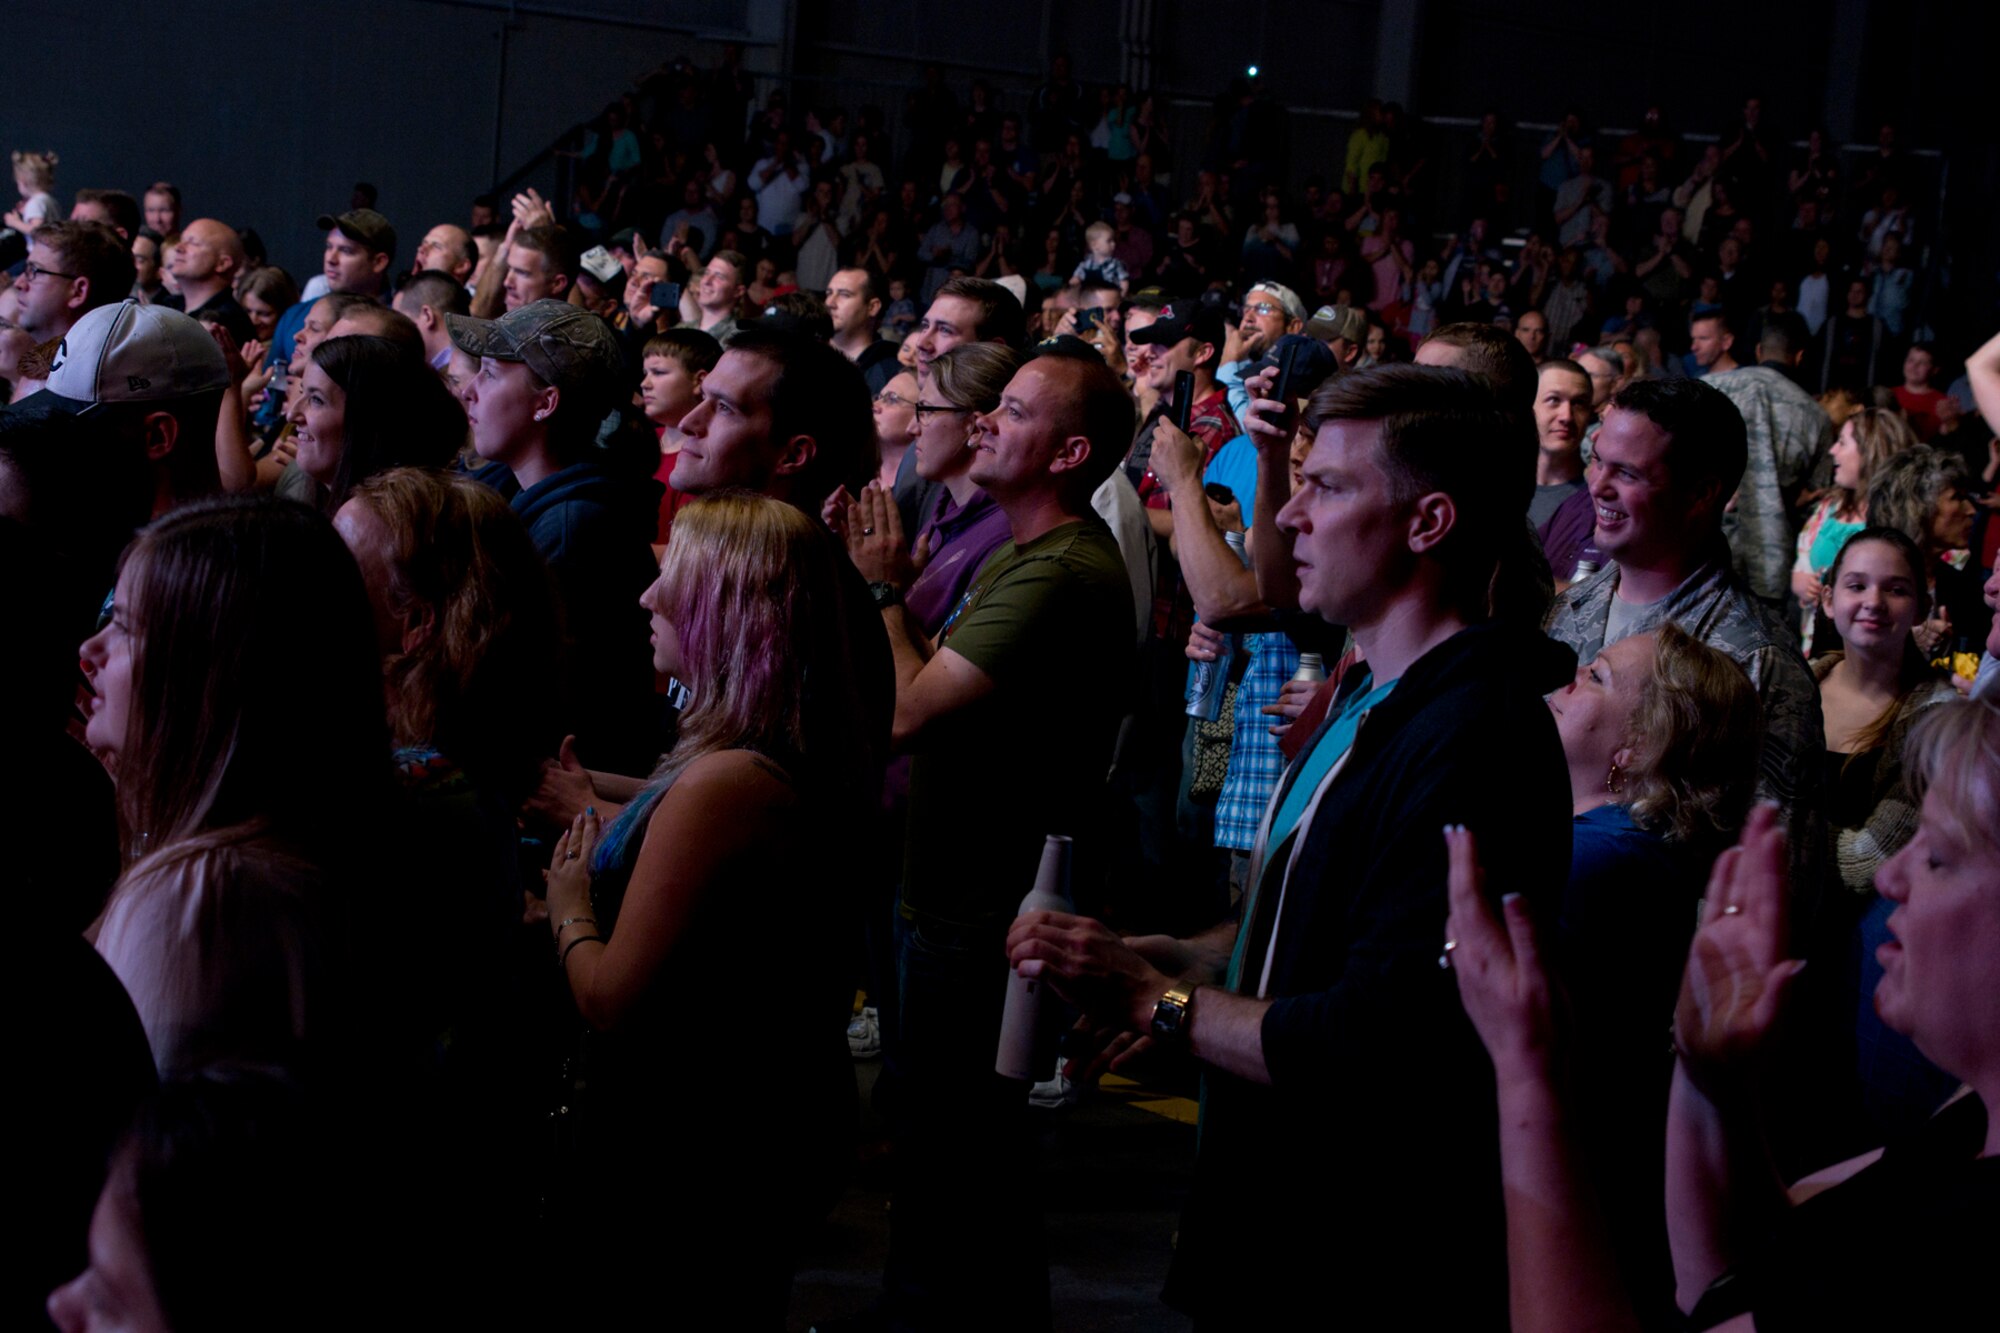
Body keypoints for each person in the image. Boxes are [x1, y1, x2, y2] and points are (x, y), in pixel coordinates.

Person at [1007, 364, 1575, 1327]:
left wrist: (1161, 1000)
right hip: (1272, 1220)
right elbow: (1331, 920)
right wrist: (1201, 955)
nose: (1293, 517)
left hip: (1351, 1256)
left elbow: (1375, 1041)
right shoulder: (1371, 696)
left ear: (1427, 522)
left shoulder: (1473, 736)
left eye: (1330, 487)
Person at [1442, 686, 2000, 1333]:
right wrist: (1710, 1078)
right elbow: (1735, 1277)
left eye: (1937, 856)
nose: (1888, 878)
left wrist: (1523, 1069)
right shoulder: (1971, 1115)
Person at [540, 493, 877, 1329]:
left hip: (703, 1139)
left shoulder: (726, 783)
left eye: (672, 584)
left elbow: (610, 998)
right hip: (750, 1120)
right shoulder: (752, 753)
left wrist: (567, 905)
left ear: (729, 613)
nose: (648, 598)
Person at [855, 349, 1134, 1331]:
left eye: (1007, 413)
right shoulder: (1025, 552)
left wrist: (886, 593)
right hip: (957, 897)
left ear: (1067, 451)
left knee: (958, 1161)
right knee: (956, 1161)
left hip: (984, 916)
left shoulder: (1059, 568)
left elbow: (906, 713)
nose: (980, 425)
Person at [83, 495, 388, 1077]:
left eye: (123, 627)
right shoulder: (297, 853)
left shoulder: (195, 899)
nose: (89, 652)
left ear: (206, 672)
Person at [1545, 622, 1762, 1319]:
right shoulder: (1635, 850)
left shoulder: (1592, 866)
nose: (1566, 682)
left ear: (1637, 748)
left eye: (1596, 677)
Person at [1545, 378, 1824, 841]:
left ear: (1701, 494)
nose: (1598, 486)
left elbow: (1775, 874)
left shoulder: (1755, 662)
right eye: (1597, 461)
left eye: (1627, 473)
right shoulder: (1570, 609)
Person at [449, 298, 660, 775]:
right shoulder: (511, 494)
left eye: (490, 374)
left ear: (546, 403)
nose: (469, 392)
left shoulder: (571, 532)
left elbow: (522, 700)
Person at [288, 334, 466, 513]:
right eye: (302, 392)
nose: (292, 414)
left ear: (370, 421)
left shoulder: (378, 523)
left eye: (317, 400)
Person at [1791, 407, 1915, 651]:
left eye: (1842, 442)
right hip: (1818, 643)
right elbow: (1801, 565)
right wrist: (1806, 585)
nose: (1832, 450)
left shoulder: (1901, 519)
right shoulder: (1829, 508)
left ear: (1871, 452)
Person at [1867, 444, 1987, 655]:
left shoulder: (1963, 586)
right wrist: (1907, 642)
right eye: (1957, 498)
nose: (1971, 510)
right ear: (1918, 508)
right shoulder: (1860, 580)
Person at [636, 327, 720, 546]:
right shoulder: (641, 439)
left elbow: (690, 553)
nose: (645, 384)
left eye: (659, 372)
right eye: (645, 373)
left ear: (699, 381)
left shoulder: (704, 457)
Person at [1530, 357, 1594, 527]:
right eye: (1554, 400)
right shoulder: (1498, 486)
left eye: (1579, 403)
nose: (1566, 416)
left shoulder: (1597, 497)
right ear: (1529, 407)